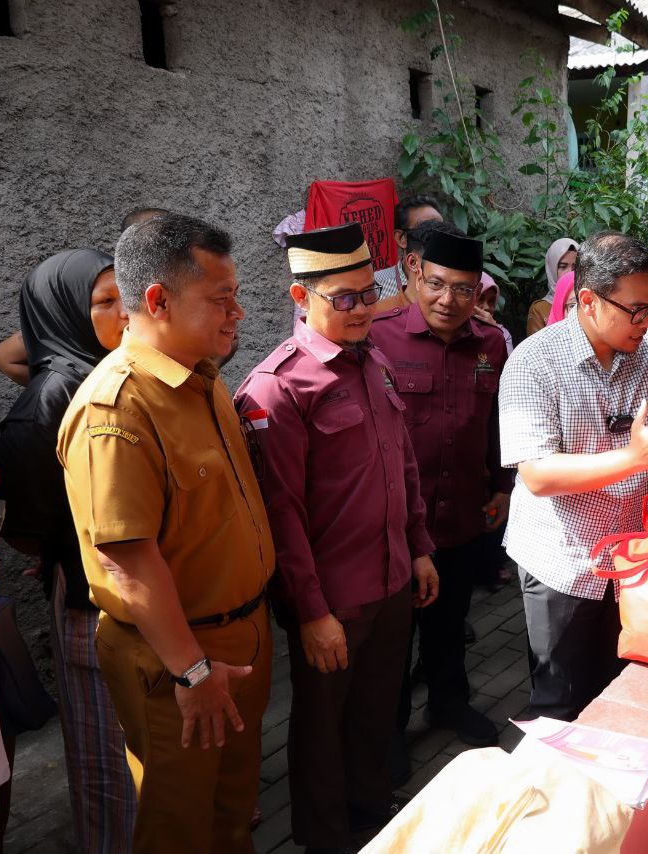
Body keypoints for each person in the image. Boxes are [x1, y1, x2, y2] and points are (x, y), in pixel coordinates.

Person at [57, 213, 274, 852]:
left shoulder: (200, 379)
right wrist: (192, 671)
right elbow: (127, 559)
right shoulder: (117, 408)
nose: (237, 311)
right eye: (220, 298)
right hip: (180, 661)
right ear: (156, 300)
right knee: (177, 827)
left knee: (231, 811)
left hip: (237, 640)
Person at [233, 222, 438, 850]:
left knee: (378, 711)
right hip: (333, 599)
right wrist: (311, 612)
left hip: (393, 578)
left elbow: (401, 461)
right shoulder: (278, 387)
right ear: (302, 299)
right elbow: (280, 515)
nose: (360, 310)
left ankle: (370, 812)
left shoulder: (371, 361)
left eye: (367, 294)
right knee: (323, 725)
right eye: (342, 299)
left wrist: (422, 547)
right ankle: (323, 834)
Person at [499, 231, 648, 722]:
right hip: (561, 560)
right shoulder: (532, 363)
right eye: (633, 310)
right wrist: (634, 458)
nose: (646, 322)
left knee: (618, 685)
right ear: (587, 300)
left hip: (631, 556)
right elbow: (539, 474)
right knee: (559, 702)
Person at [0, 250, 136, 852]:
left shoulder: (122, 372)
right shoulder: (46, 404)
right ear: (61, 314)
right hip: (89, 599)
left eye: (123, 297)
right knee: (107, 761)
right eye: (104, 304)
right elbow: (28, 526)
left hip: (140, 595)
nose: (124, 314)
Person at [370, 227, 510, 750]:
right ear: (413, 271)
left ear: (479, 290)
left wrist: (502, 485)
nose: (447, 301)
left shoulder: (491, 343)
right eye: (436, 284)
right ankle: (388, 733)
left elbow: (497, 421)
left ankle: (450, 703)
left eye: (463, 290)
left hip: (462, 515)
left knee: (450, 623)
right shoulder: (378, 335)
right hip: (399, 521)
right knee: (393, 636)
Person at [0, 207, 173, 388]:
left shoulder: (181, 296)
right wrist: (79, 388)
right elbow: (2, 357)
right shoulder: (105, 288)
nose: (126, 311)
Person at [373, 194, 443, 306]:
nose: (438, 238)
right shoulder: (375, 286)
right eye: (426, 230)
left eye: (442, 229)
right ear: (401, 238)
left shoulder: (454, 283)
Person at [527, 237, 579, 335]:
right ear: (551, 269)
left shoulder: (589, 301)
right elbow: (537, 347)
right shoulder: (540, 309)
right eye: (563, 267)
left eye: (575, 267)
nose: (570, 272)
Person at [475, 272, 514, 353]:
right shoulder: (451, 329)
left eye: (491, 301)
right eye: (480, 299)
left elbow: (507, 363)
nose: (486, 307)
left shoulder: (503, 334)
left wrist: (494, 330)